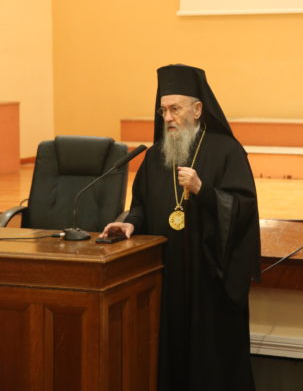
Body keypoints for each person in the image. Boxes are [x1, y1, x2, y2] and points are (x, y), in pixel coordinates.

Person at [100, 64, 260, 391]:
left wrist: (204, 190)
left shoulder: (227, 150)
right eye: (163, 111)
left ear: (198, 109)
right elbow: (141, 205)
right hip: (166, 274)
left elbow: (243, 208)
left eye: (175, 109)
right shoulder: (156, 155)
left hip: (209, 279)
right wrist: (128, 223)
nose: (168, 118)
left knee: (209, 363)